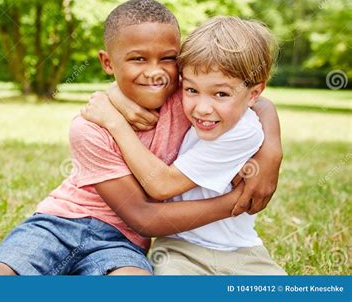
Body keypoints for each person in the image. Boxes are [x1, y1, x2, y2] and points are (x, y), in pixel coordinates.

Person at [0, 0, 282, 276]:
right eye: (138, 59)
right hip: (57, 224)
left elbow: (254, 101)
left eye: (168, 59)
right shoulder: (90, 127)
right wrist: (234, 202)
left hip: (122, 243)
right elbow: (145, 216)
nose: (155, 73)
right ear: (108, 62)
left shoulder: (187, 99)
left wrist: (271, 152)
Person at [81, 16, 286, 275]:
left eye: (220, 94)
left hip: (242, 251)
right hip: (178, 248)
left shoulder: (243, 131)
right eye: (191, 90)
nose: (201, 108)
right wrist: (113, 95)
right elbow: (142, 81)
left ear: (253, 94)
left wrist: (115, 123)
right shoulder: (194, 100)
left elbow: (162, 185)